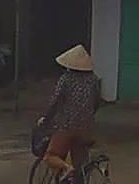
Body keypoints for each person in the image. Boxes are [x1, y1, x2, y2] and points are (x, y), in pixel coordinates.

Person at [38, 45, 100, 183]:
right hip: (86, 128)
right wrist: (87, 117)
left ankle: (66, 168)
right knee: (81, 168)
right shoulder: (94, 79)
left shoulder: (66, 78)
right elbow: (96, 102)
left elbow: (55, 102)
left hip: (65, 126)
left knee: (50, 156)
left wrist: (46, 119)